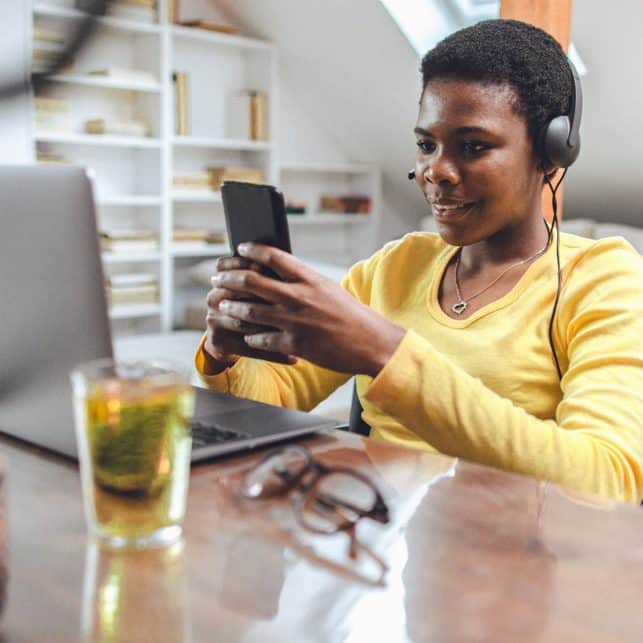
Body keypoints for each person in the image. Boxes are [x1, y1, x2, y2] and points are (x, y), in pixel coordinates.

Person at [195, 19, 643, 503]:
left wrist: (387, 353)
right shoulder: (395, 266)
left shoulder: (602, 279)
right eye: (427, 144)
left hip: (509, 560)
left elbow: (607, 483)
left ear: (552, 153)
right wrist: (230, 355)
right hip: (379, 547)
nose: (436, 172)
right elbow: (277, 399)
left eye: (473, 146)